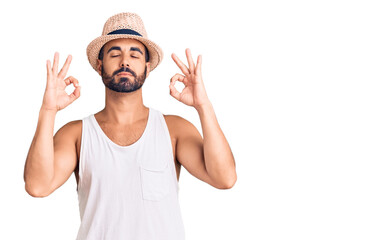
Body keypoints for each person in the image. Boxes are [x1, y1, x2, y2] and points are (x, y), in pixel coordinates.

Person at [23, 12, 237, 239]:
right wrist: (48, 111)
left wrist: (203, 106)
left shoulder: (174, 130)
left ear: (147, 66)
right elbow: (37, 186)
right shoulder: (77, 134)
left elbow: (224, 178)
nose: (124, 61)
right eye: (115, 54)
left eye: (134, 55)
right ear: (99, 65)